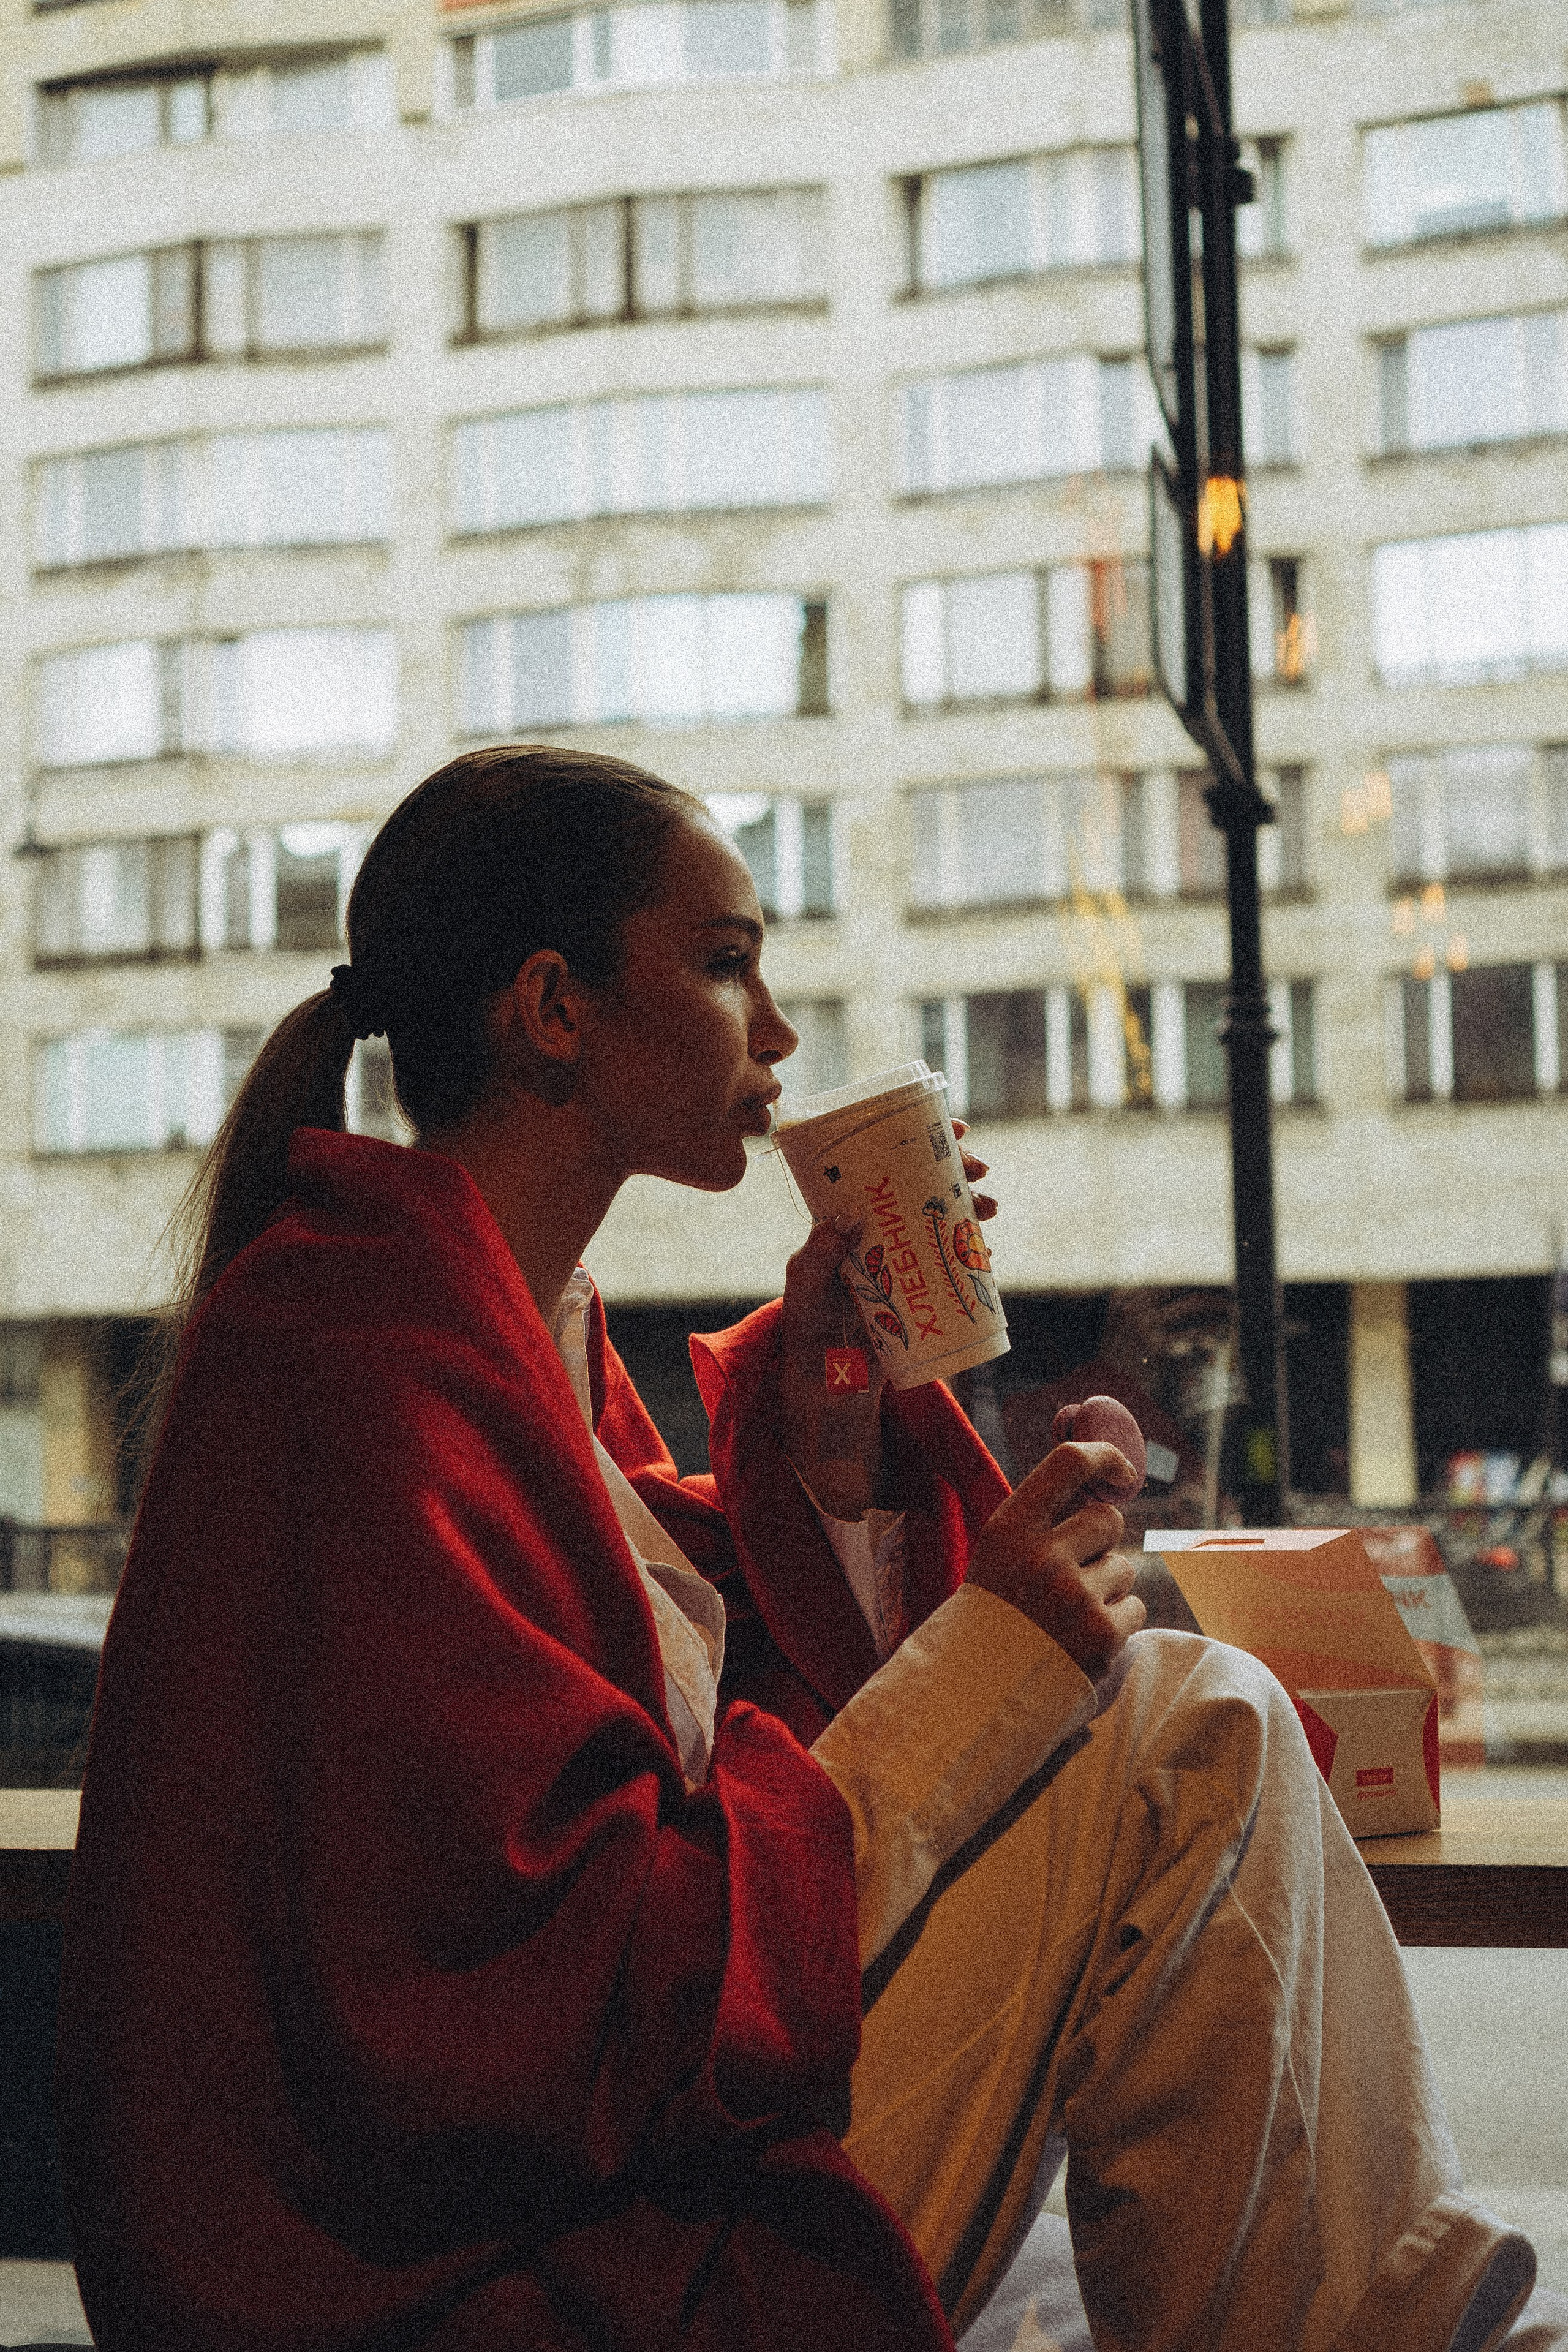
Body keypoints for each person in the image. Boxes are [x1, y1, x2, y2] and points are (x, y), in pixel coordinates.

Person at [55, 745, 1543, 2352]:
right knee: (1186, 1732)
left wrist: (836, 1448)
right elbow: (575, 1971)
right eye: (725, 963)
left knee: (1184, 1722)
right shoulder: (348, 1353)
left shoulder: (503, 1339)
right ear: (551, 1007)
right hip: (474, 2281)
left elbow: (712, 1805)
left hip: (584, 2181)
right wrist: (997, 1649)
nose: (772, 1029)